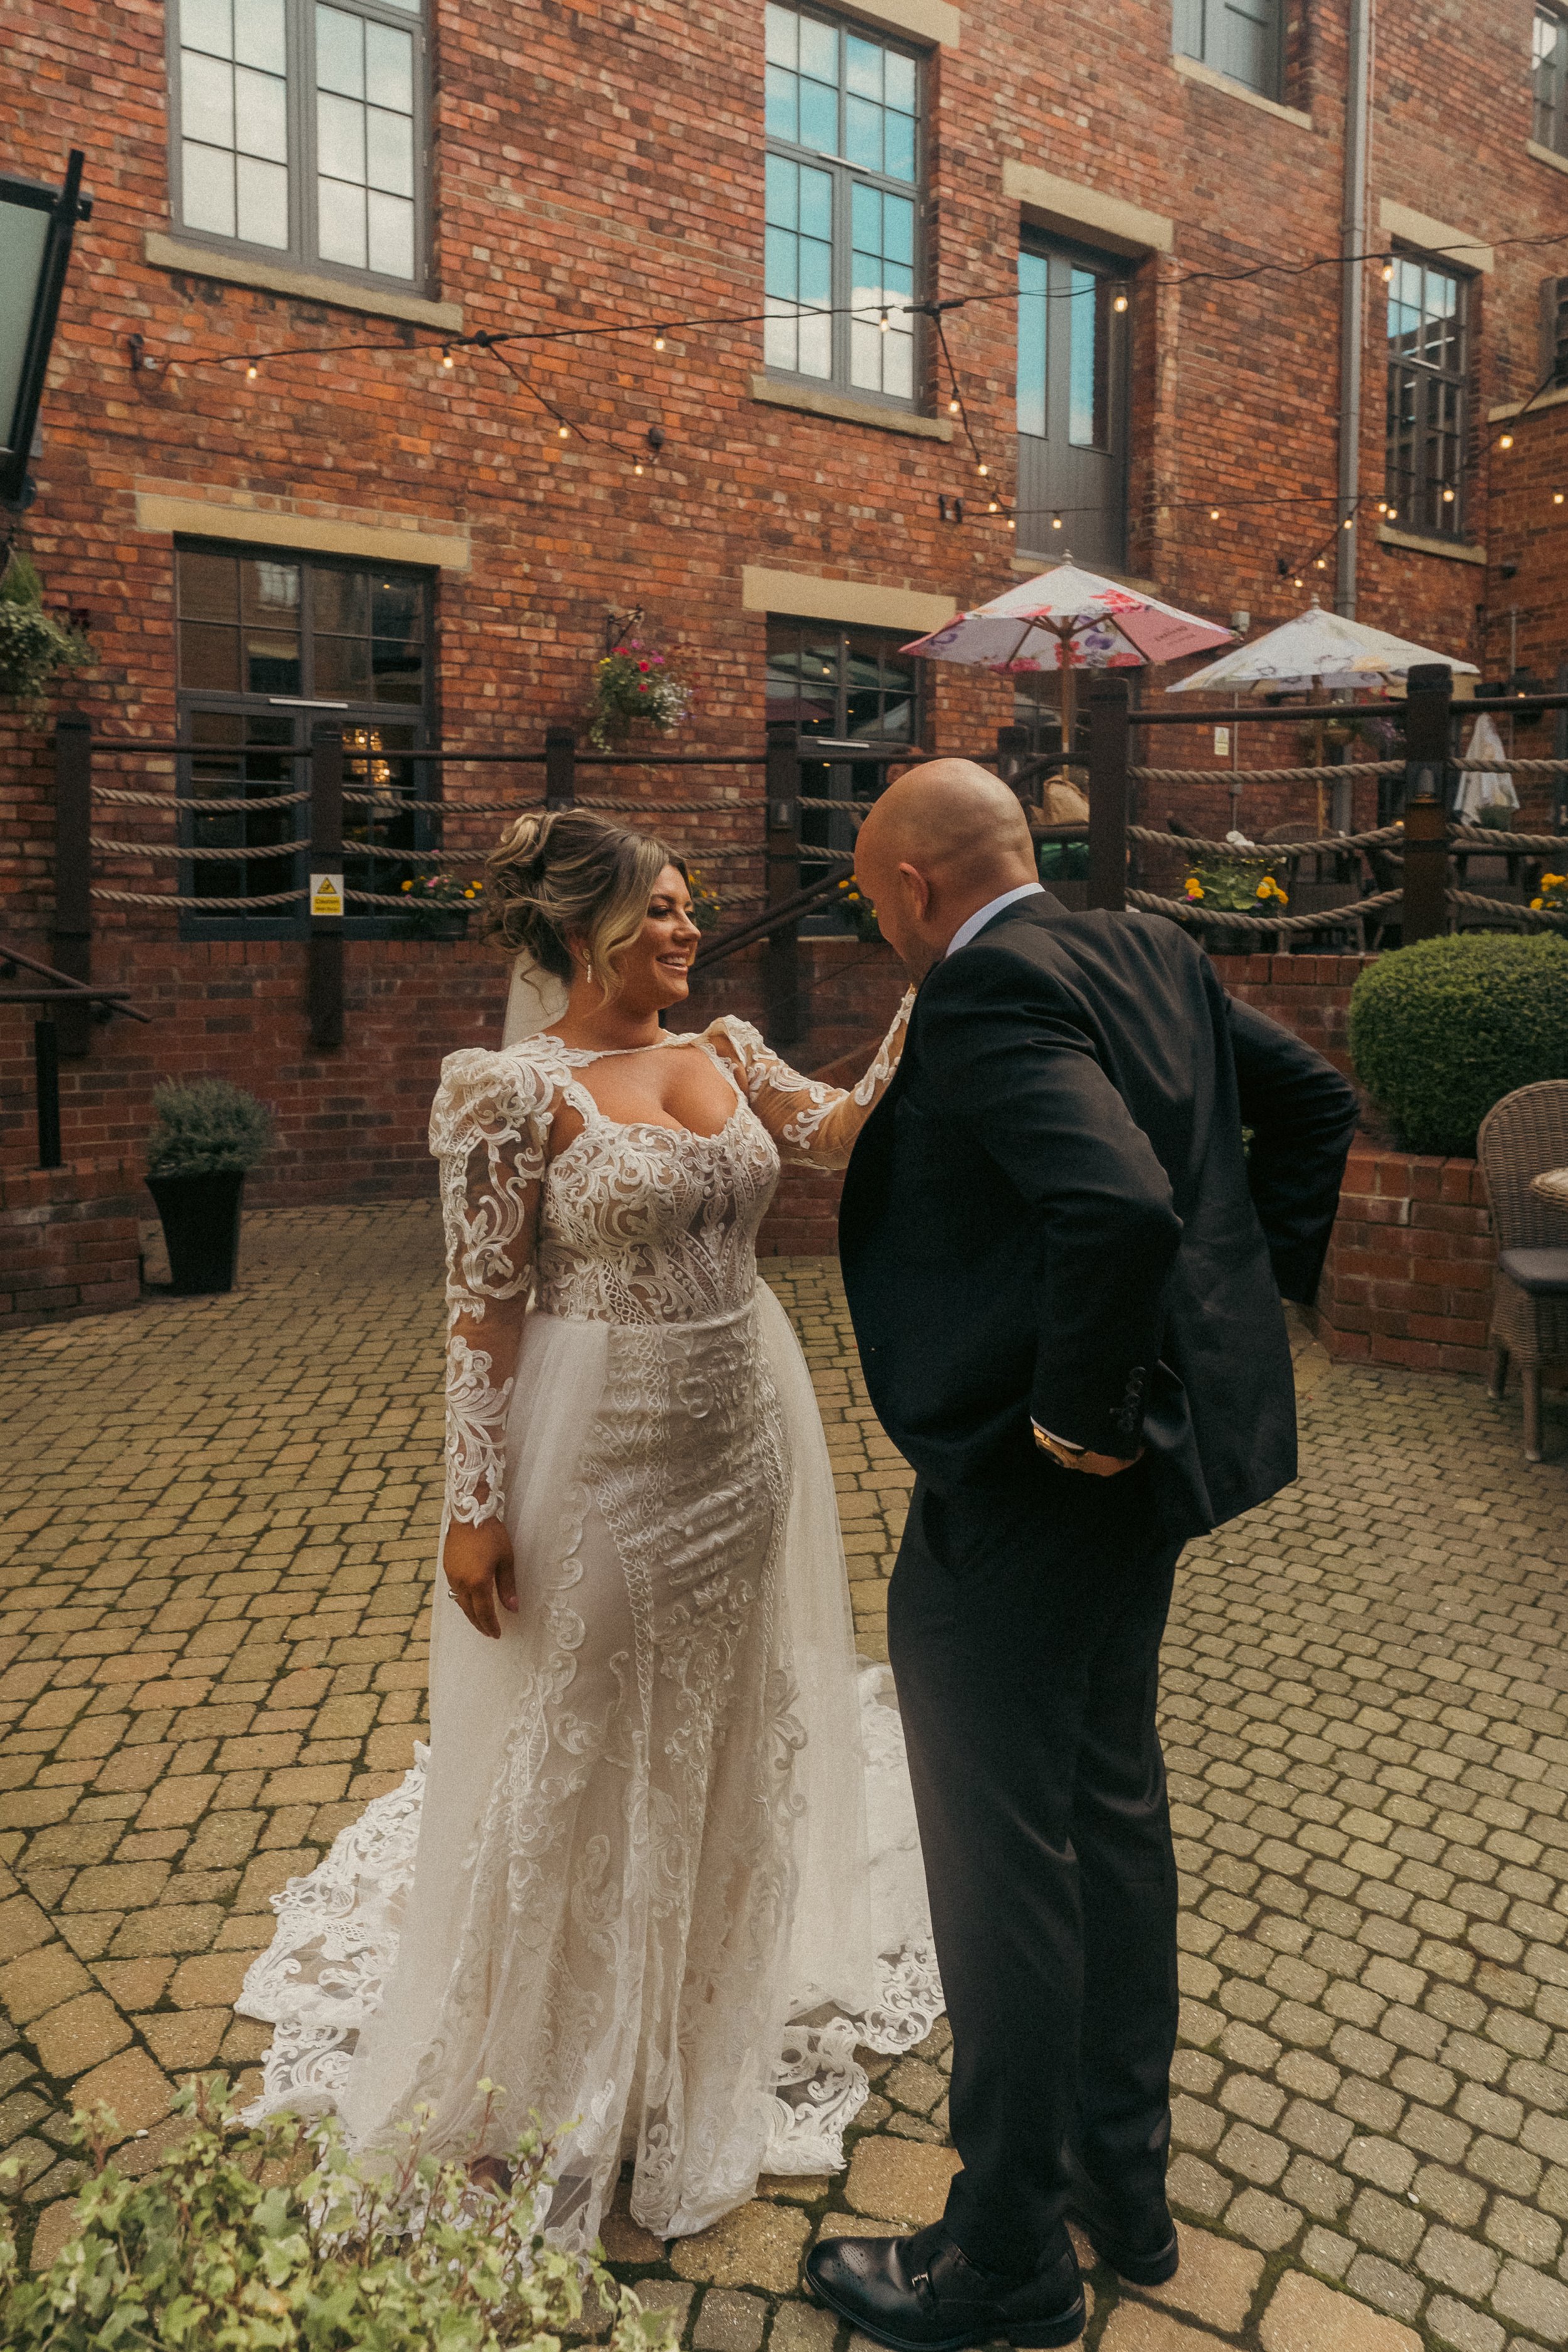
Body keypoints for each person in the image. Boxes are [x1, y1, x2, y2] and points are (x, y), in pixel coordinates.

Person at [237, 810, 940, 2247]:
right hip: (600, 1442)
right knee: (586, 1721)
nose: (688, 932)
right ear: (585, 927)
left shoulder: (728, 1051)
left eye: (692, 909)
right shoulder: (508, 1091)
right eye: (662, 910)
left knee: (721, 1713)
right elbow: (481, 1310)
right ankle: (546, 2052)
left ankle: (687, 2021)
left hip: (743, 1424)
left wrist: (936, 983)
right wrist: (472, 1511)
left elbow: (842, 1138)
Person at [806, 761, 1359, 2352]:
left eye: (868, 898)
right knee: (1111, 1816)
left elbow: (1110, 1205)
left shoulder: (982, 988)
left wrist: (1077, 1414)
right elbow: (1309, 1106)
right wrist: (1242, 1325)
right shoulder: (1153, 953)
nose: (879, 923)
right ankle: (1124, 2190)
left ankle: (1004, 2263)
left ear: (913, 887)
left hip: (1034, 1493)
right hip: (1148, 1493)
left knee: (1000, 1866)